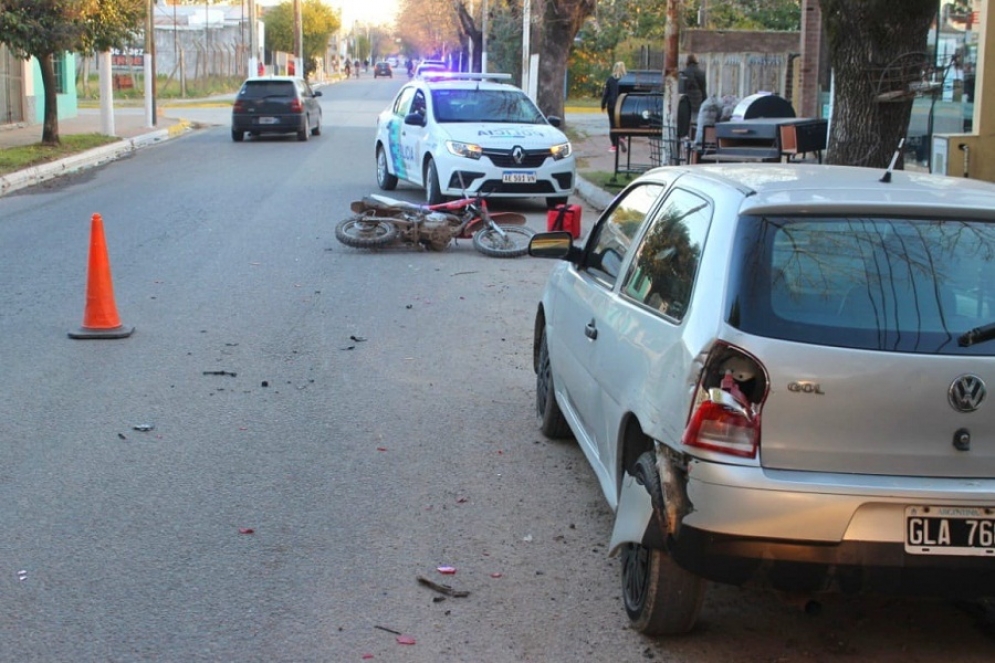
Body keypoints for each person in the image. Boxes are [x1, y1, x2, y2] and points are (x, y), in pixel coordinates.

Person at [601, 61, 627, 153]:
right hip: (623, 105)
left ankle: (614, 146)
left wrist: (603, 104)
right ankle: (622, 137)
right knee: (623, 123)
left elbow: (606, 93)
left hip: (612, 104)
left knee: (612, 125)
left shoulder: (610, 79)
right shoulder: (627, 79)